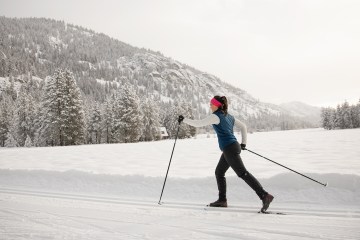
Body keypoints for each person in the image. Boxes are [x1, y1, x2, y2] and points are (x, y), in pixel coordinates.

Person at [178, 95, 274, 212]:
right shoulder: (229, 116)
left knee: (243, 173)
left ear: (216, 105)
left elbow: (198, 124)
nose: (210, 106)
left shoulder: (216, 116)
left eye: (211, 104)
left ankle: (264, 195)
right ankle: (222, 200)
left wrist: (184, 120)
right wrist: (243, 144)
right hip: (232, 147)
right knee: (219, 172)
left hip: (229, 148)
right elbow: (243, 127)